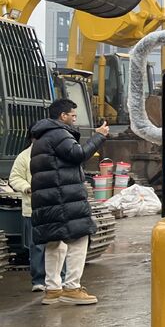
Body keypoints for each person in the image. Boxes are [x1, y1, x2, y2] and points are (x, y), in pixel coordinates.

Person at [30, 99, 108, 305]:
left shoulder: (41, 137)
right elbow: (78, 154)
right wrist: (99, 136)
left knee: (55, 243)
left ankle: (53, 289)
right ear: (62, 116)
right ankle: (72, 288)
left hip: (49, 199)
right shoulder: (59, 134)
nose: (75, 119)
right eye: (73, 115)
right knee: (79, 238)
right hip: (63, 198)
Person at [9, 132, 46, 291]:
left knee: (57, 246)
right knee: (37, 246)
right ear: (33, 139)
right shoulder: (24, 157)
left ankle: (59, 279)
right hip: (32, 208)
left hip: (52, 208)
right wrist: (26, 187)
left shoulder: (51, 154)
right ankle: (39, 280)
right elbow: (15, 177)